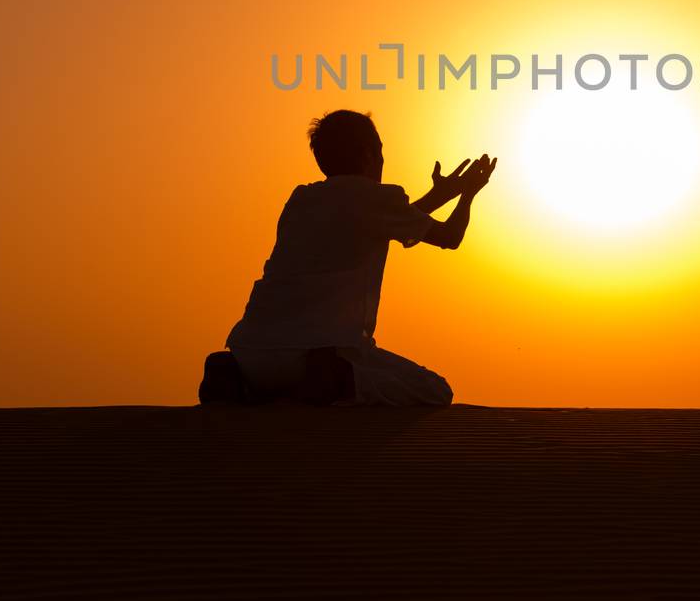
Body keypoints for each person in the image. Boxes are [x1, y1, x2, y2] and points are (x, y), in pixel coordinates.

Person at [200, 110, 496, 407]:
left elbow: (377, 223)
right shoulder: (377, 200)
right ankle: (335, 384)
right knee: (435, 389)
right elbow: (449, 237)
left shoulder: (300, 200)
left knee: (268, 376)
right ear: (368, 155)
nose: (382, 161)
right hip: (320, 356)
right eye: (380, 152)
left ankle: (243, 381)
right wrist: (468, 194)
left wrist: (440, 194)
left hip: (252, 354)